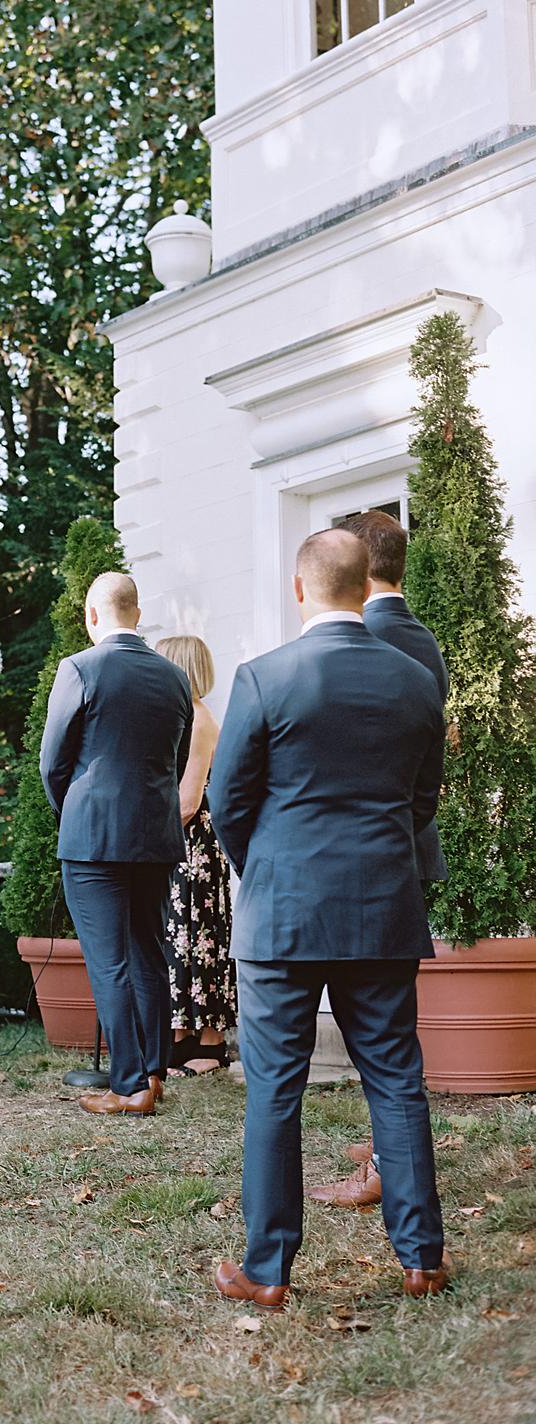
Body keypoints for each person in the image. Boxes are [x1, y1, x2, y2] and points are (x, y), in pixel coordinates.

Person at [208, 529, 450, 1307]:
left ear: (301, 587)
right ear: (366, 587)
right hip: (382, 907)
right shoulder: (416, 682)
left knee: (275, 1088)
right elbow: (422, 801)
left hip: (282, 913)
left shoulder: (265, 676)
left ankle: (268, 1270)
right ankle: (422, 1258)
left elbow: (227, 802)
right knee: (395, 1078)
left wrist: (269, 867)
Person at [309, 508, 451, 1208]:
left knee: (384, 1039)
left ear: (355, 567)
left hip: (371, 857)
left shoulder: (367, 637)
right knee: (389, 1033)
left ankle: (388, 1168)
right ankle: (389, 1148)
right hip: (402, 844)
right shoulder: (420, 636)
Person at [39, 573, 193, 1116]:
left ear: (91, 614)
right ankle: (153, 1071)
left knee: (109, 962)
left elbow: (53, 761)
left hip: (94, 836)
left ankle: (128, 1086)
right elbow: (177, 761)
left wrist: (76, 814)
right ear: (138, 612)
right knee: (151, 954)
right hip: (155, 834)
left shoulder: (80, 668)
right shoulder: (175, 679)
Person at [154, 636, 235, 1076]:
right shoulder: (182, 717)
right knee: (178, 939)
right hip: (178, 843)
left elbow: (187, 802)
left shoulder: (200, 720)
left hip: (194, 845)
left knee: (198, 939)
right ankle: (181, 1034)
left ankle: (212, 1043)